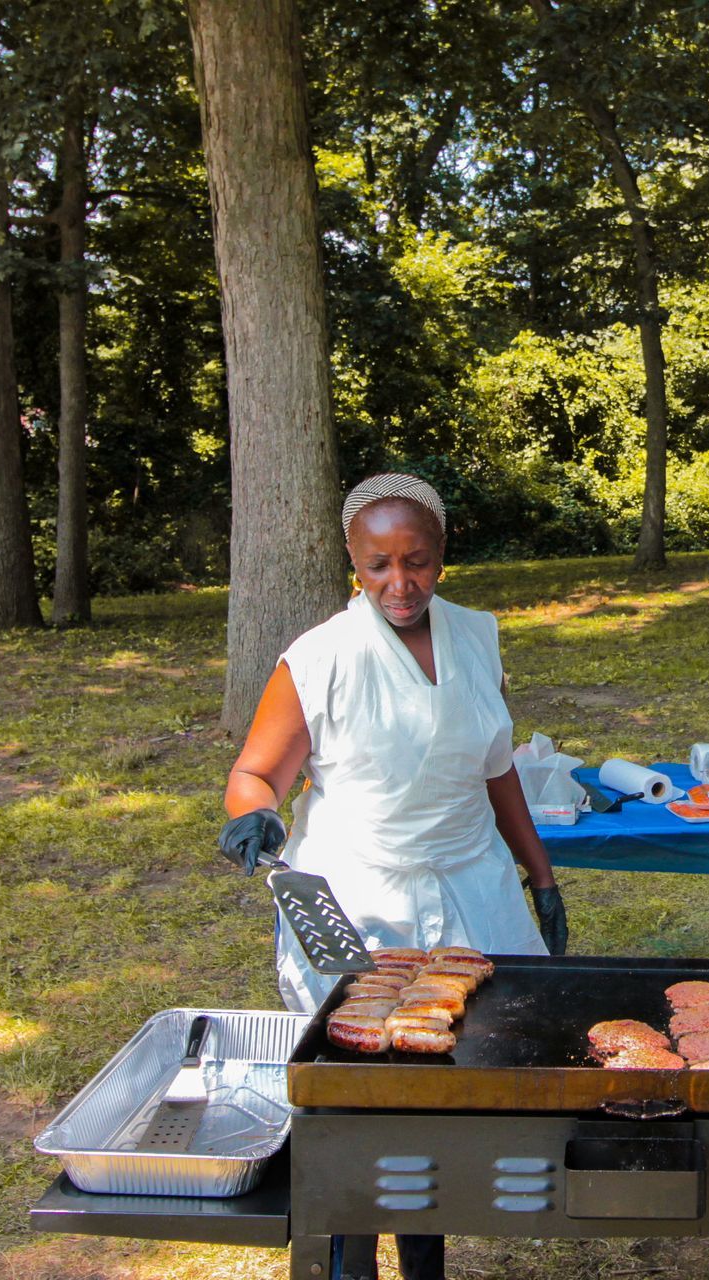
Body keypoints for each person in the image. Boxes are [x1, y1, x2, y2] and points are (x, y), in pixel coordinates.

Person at [218, 473, 567, 1280]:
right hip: (358, 894)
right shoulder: (320, 658)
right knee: (360, 1099)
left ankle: (425, 1256)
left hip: (470, 886)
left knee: (442, 1091)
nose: (398, 584)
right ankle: (349, 1259)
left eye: (415, 562)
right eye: (378, 565)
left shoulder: (478, 636)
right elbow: (256, 772)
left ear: (442, 557)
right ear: (354, 563)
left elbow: (496, 769)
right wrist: (254, 812)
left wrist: (540, 876)